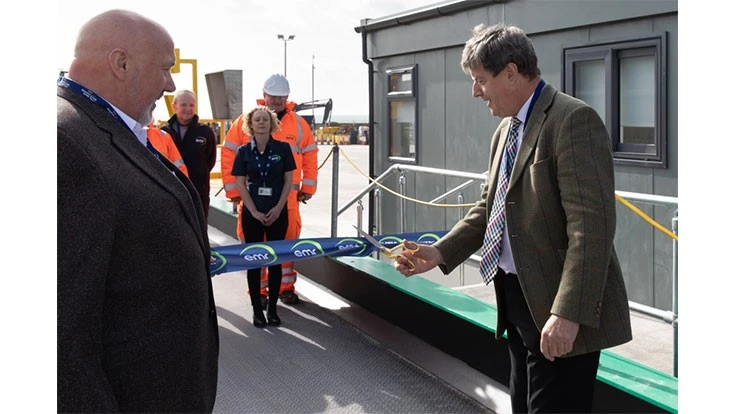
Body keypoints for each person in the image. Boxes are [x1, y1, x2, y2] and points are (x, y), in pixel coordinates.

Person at [394, 23, 632, 413]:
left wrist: (567, 313)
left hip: (557, 307)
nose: (475, 92)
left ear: (510, 72)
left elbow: (591, 229)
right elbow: (491, 207)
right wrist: (439, 253)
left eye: (480, 80)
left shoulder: (573, 120)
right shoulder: (505, 130)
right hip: (517, 302)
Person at [57, 9, 219, 413]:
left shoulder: (98, 129)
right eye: (165, 69)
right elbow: (61, 342)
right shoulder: (65, 143)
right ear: (121, 62)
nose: (171, 85)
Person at [221, 74, 318, 306]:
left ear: (287, 98)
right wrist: (234, 191)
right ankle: (259, 292)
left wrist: (308, 187)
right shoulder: (245, 122)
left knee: (287, 242)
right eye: (273, 96)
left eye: (281, 97)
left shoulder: (298, 124)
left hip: (288, 199)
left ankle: (285, 288)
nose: (277, 101)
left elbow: (310, 155)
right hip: (252, 198)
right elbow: (229, 154)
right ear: (264, 96)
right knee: (254, 244)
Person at [231, 105, 295, 327]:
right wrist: (254, 211)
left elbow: (289, 181)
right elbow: (239, 182)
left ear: (272, 124)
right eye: (257, 120)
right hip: (252, 213)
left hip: (277, 211)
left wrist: (278, 207)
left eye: (265, 120)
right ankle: (257, 311)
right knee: (254, 261)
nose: (261, 123)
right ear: (250, 124)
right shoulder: (243, 152)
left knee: (275, 261)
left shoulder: (283, 149)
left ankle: (273, 310)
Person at [162, 89, 217, 222]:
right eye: (184, 105)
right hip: (172, 190)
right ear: (174, 106)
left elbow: (210, 160)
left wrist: (199, 174)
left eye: (192, 105)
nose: (188, 109)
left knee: (200, 227)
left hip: (199, 191)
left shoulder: (205, 132)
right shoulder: (164, 133)